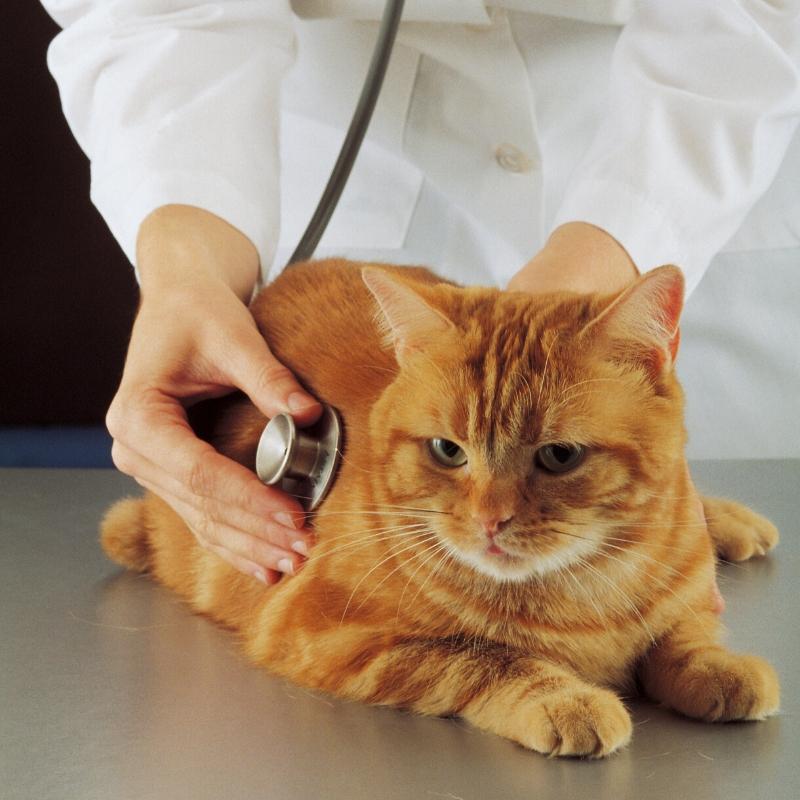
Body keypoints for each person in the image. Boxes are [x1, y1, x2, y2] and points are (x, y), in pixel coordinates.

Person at [41, 1, 800, 583]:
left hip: (689, 132)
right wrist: (185, 260)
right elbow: (151, 11)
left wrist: (625, 244)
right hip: (349, 141)